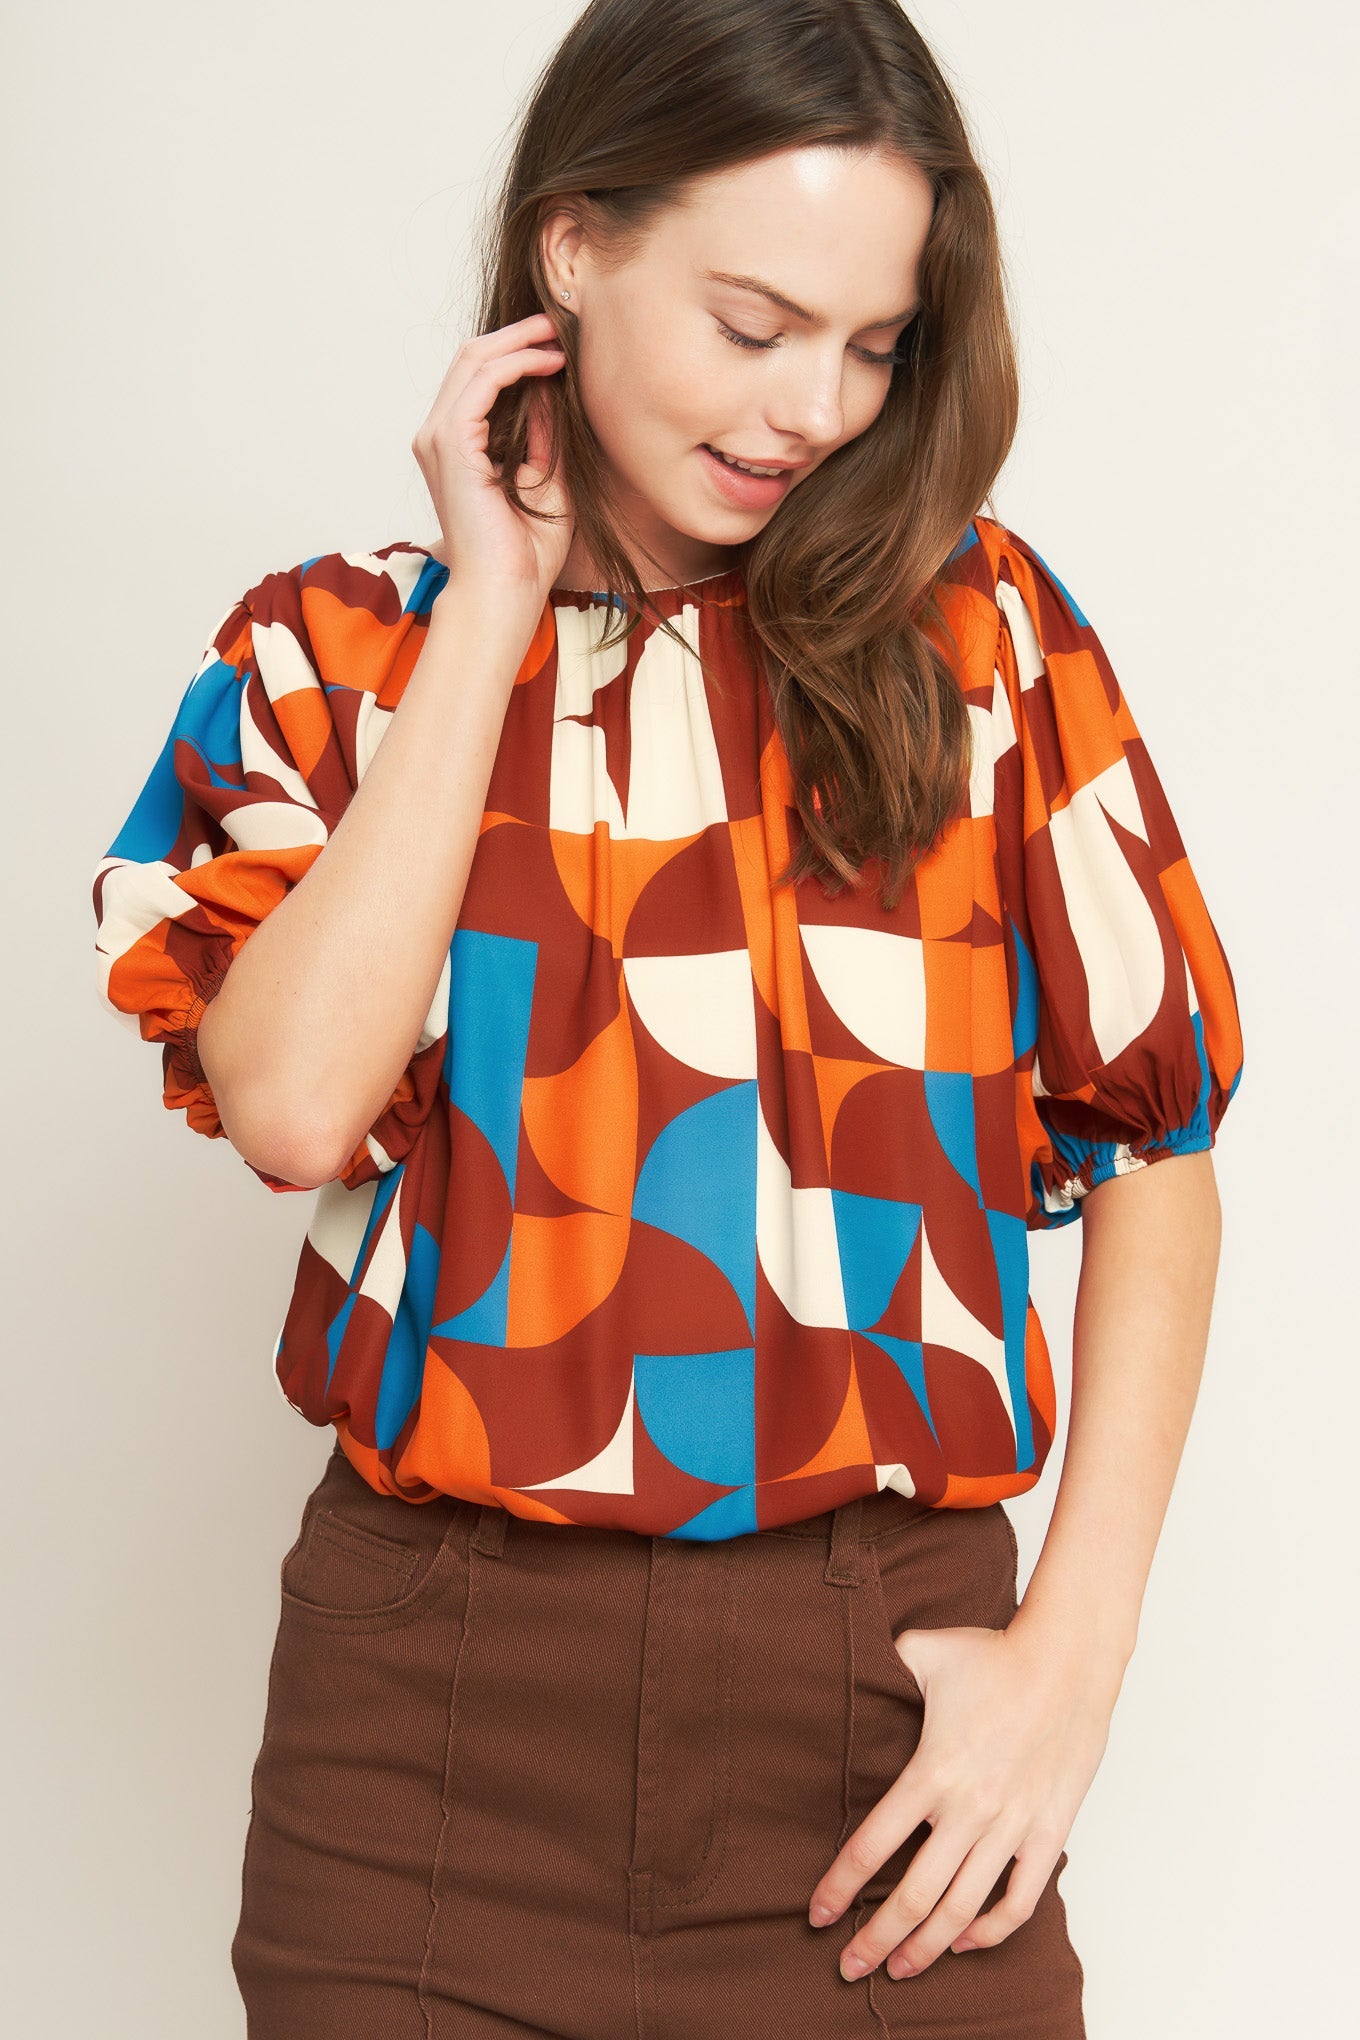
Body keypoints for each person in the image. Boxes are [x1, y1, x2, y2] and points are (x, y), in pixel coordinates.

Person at [90, 2, 1244, 2034]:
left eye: (871, 344)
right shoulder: (333, 656)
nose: (812, 405)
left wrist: (1074, 1658)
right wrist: (494, 605)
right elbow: (292, 1105)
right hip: (428, 1742)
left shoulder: (974, 638)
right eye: (753, 322)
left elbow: (1158, 1143)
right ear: (574, 245)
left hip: (874, 1726)